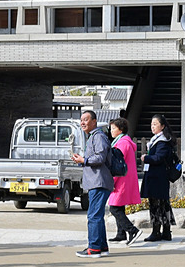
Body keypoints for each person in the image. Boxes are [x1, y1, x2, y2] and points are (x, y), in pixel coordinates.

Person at [70, 110, 113, 258]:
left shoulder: (98, 136)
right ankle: (102, 247)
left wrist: (84, 160)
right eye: (81, 120)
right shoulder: (94, 137)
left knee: (93, 216)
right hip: (97, 181)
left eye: (86, 119)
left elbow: (100, 158)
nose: (82, 122)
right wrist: (82, 160)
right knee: (97, 216)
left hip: (99, 181)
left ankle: (94, 248)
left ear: (94, 121)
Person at [140, 114, 177, 242]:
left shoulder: (163, 141)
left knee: (156, 204)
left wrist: (146, 158)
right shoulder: (158, 139)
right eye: (152, 124)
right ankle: (166, 231)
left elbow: (158, 158)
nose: (152, 126)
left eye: (155, 124)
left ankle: (157, 231)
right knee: (162, 204)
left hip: (157, 178)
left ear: (162, 126)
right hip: (157, 177)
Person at [107, 117, 143, 245]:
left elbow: (117, 165)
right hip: (125, 178)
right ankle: (120, 233)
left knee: (114, 208)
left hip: (121, 180)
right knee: (119, 207)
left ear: (120, 129)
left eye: (113, 128)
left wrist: (111, 181)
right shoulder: (124, 141)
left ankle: (132, 230)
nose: (111, 131)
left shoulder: (122, 143)